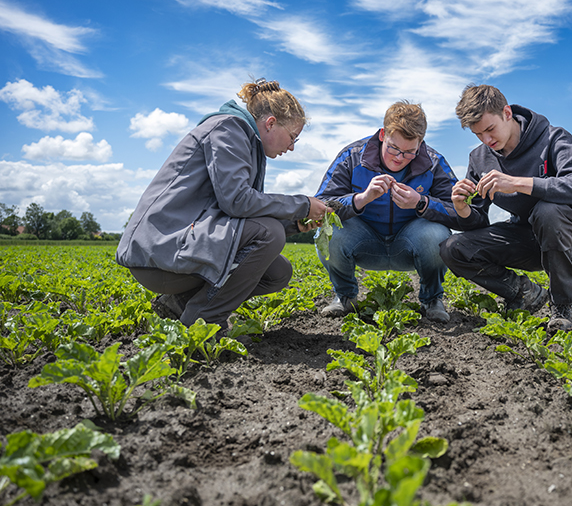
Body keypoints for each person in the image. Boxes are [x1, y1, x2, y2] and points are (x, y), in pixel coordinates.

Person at [116, 79, 330, 331]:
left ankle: (178, 304)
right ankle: (204, 322)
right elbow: (237, 202)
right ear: (271, 123)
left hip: (177, 250)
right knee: (269, 234)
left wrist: (293, 222)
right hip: (160, 255)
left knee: (277, 272)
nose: (292, 147)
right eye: (293, 137)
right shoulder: (229, 129)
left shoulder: (245, 139)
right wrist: (302, 205)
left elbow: (239, 215)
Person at [440, 84, 572, 332]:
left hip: (570, 238)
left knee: (548, 210)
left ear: (506, 113)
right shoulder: (479, 158)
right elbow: (479, 220)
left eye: (490, 130)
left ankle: (563, 306)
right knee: (454, 248)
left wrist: (517, 183)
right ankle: (523, 292)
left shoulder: (554, 138)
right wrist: (462, 208)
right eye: (478, 135)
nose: (487, 140)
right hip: (525, 239)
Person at [314, 100, 459, 323]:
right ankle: (345, 296)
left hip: (410, 242)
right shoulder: (352, 156)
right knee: (328, 231)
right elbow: (321, 204)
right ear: (383, 134)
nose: (399, 158)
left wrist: (421, 203)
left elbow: (457, 210)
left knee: (437, 235)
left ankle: (432, 299)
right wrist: (361, 199)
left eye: (410, 152)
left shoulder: (434, 162)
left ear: (420, 143)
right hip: (364, 241)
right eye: (394, 148)